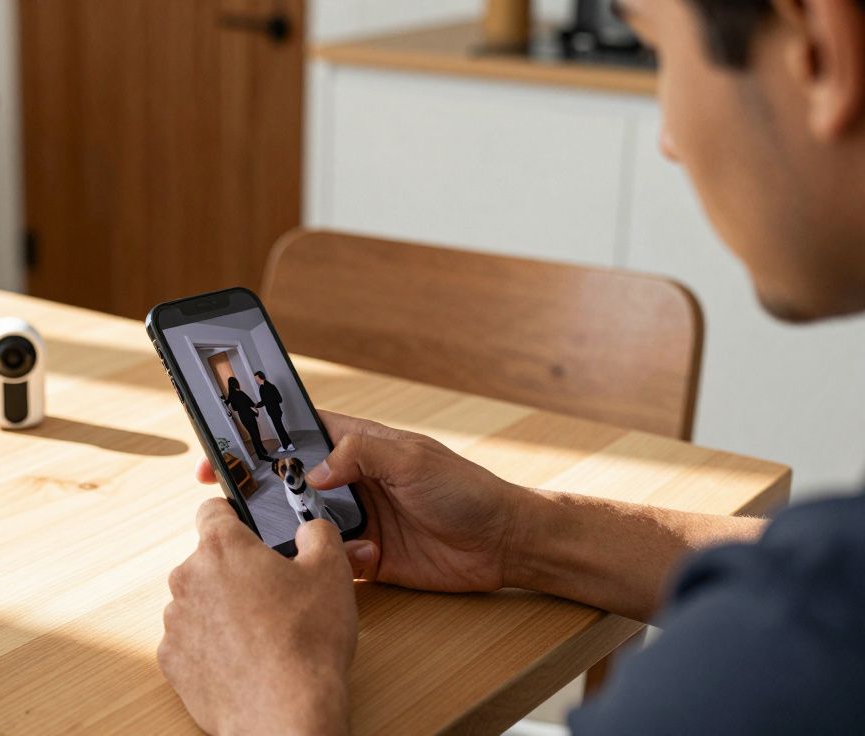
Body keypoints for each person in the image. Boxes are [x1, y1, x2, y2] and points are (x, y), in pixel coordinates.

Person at [158, 0, 865, 733]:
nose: (669, 140)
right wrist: (518, 535)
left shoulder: (790, 662)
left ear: (819, 48)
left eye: (661, 52)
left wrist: (278, 700)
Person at [223, 376, 273, 463]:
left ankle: (262, 450)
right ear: (236, 383)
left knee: (254, 435)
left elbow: (234, 408)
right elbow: (251, 403)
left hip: (243, 417)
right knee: (256, 434)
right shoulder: (240, 393)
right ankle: (261, 455)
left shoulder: (231, 396)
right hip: (249, 415)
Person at [253, 371, 294, 452]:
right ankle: (288, 445)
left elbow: (278, 399)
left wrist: (266, 402)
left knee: (279, 428)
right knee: (279, 428)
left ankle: (287, 445)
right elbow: (266, 401)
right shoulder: (265, 387)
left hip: (275, 411)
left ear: (260, 377)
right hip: (273, 411)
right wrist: (257, 404)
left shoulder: (268, 387)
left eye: (256, 378)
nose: (255, 380)